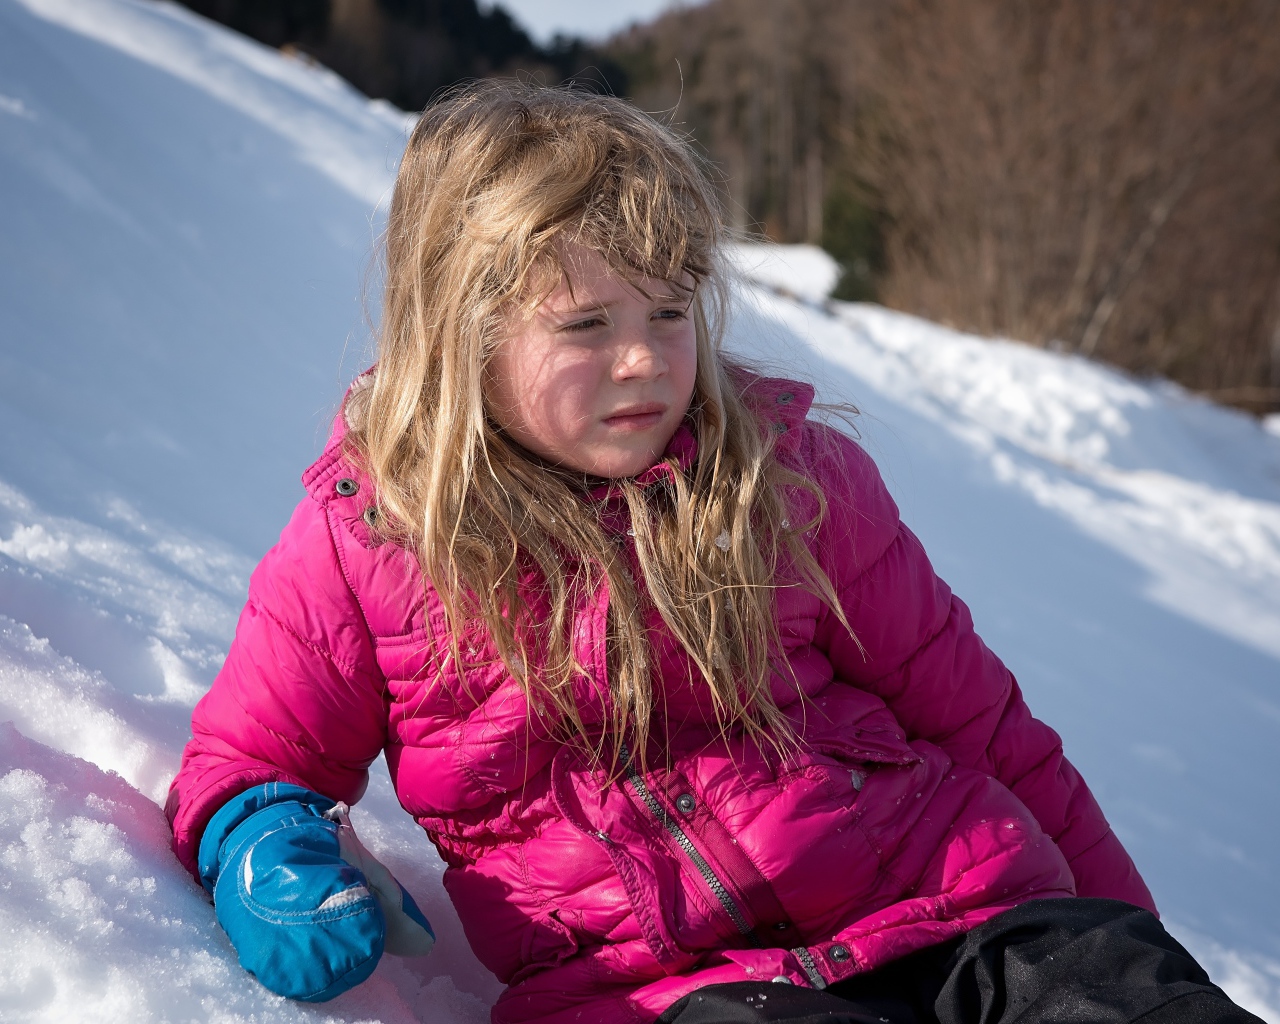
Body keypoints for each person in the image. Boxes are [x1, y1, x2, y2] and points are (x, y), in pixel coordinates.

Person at [165, 82, 1259, 1024]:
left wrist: (1125, 930)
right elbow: (251, 758)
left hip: (961, 907)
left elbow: (979, 721)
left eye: (670, 309)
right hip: (663, 992)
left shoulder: (787, 483)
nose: (642, 357)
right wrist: (263, 845)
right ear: (464, 331)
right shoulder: (376, 541)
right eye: (585, 324)